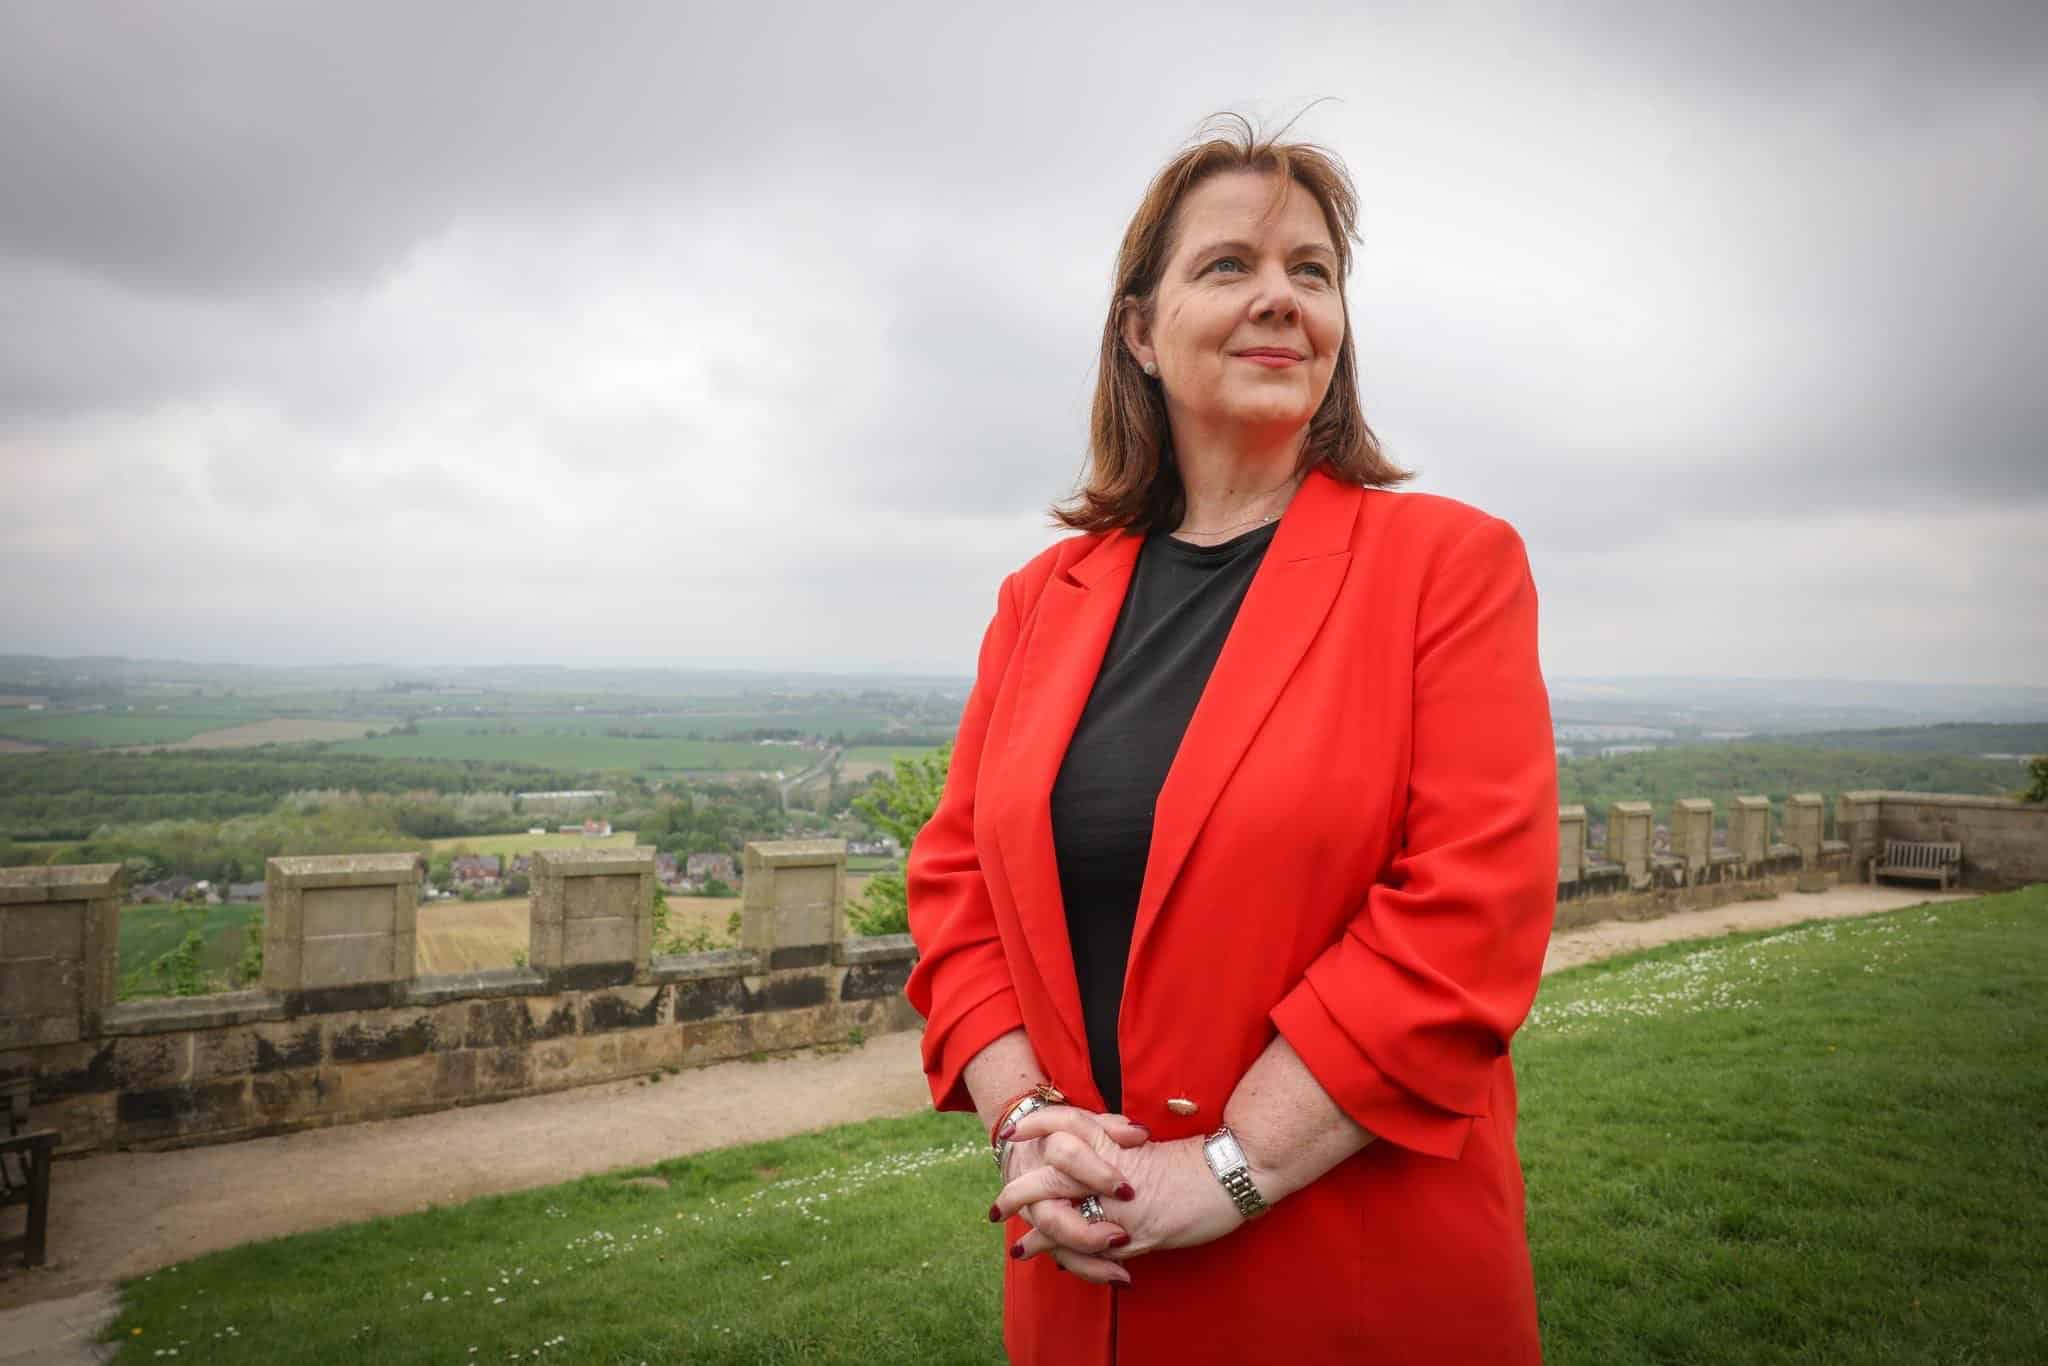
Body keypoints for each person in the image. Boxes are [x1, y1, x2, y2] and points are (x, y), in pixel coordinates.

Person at [904, 115, 1558, 1364]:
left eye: (1310, 272)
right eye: (1228, 267)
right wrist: (1030, 1123)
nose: (1280, 300)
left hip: (1351, 1281)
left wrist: (1229, 1167)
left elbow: (1468, 911)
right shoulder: (1041, 600)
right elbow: (953, 890)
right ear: (1139, 333)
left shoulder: (1449, 568)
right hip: (1078, 1264)